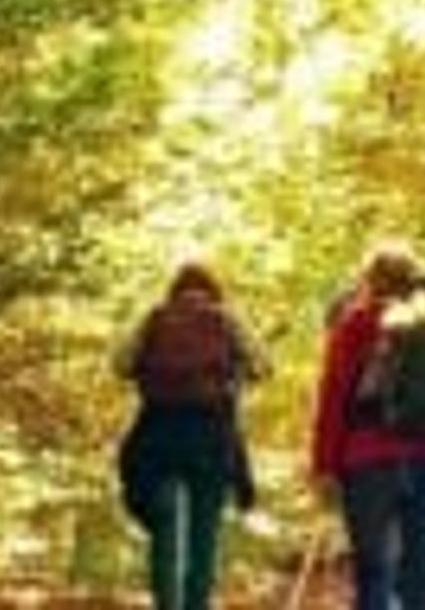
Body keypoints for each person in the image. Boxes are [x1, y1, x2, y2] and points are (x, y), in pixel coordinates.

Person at [309, 241, 425, 610]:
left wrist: (324, 466)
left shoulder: (358, 322)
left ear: (369, 280)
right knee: (423, 580)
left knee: (373, 573)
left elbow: (333, 398)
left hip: (368, 462)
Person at [115, 260, 262, 610]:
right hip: (212, 438)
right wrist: (233, 380)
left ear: (175, 288)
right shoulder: (226, 318)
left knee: (165, 528)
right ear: (213, 289)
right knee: (204, 535)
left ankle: (166, 604)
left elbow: (120, 364)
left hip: (159, 437)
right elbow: (262, 365)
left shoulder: (154, 317)